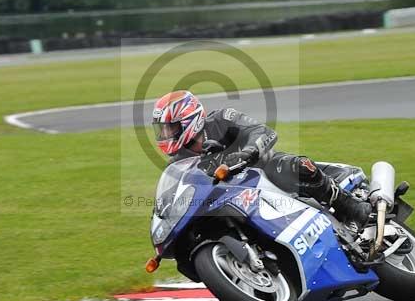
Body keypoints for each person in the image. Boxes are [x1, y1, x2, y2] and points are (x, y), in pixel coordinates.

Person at [151, 90, 372, 229]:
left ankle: (350, 207)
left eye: (171, 128)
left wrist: (246, 153)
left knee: (300, 166)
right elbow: (176, 191)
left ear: (190, 119)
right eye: (163, 131)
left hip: (263, 169)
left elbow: (263, 132)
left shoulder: (221, 119)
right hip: (233, 196)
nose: (166, 135)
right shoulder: (178, 162)